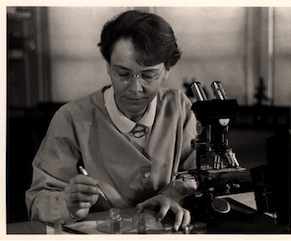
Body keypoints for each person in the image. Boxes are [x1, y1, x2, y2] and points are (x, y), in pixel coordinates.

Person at [25, 10, 197, 232]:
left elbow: (197, 175)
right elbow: (37, 200)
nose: (135, 89)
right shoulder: (70, 118)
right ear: (107, 65)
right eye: (123, 73)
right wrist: (66, 204)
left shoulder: (180, 108)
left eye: (148, 75)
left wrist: (172, 194)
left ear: (167, 70)